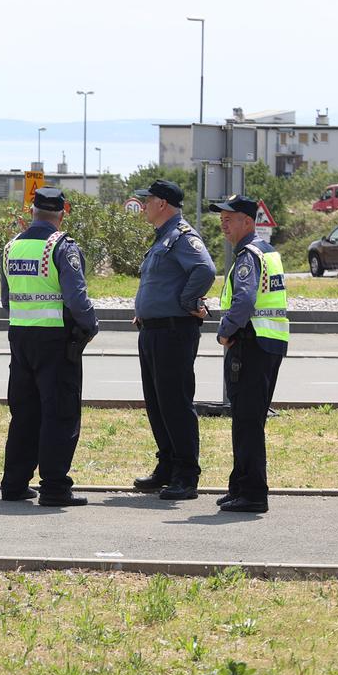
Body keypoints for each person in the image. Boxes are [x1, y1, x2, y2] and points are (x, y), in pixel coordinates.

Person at [0, 187, 99, 506]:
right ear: (62, 212)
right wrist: (90, 326)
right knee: (59, 413)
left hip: (21, 336)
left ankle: (14, 484)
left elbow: (6, 300)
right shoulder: (61, 246)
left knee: (24, 413)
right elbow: (76, 298)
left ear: (32, 211)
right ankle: (55, 488)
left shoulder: (11, 247)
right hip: (56, 341)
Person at [130, 179, 216, 500]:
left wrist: (187, 302)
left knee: (175, 403)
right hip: (153, 330)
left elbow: (204, 270)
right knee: (156, 403)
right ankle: (166, 466)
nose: (144, 205)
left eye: (147, 200)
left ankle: (186, 474)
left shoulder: (182, 237)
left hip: (173, 331)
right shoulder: (162, 238)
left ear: (162, 203)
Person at [209, 195, 288, 514]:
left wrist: (225, 331)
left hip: (251, 344)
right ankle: (240, 486)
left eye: (230, 217)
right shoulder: (267, 253)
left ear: (249, 221)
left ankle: (253, 493)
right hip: (267, 343)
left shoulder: (248, 255)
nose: (223, 223)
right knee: (247, 419)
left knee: (247, 421)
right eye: (222, 218)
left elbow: (243, 301)